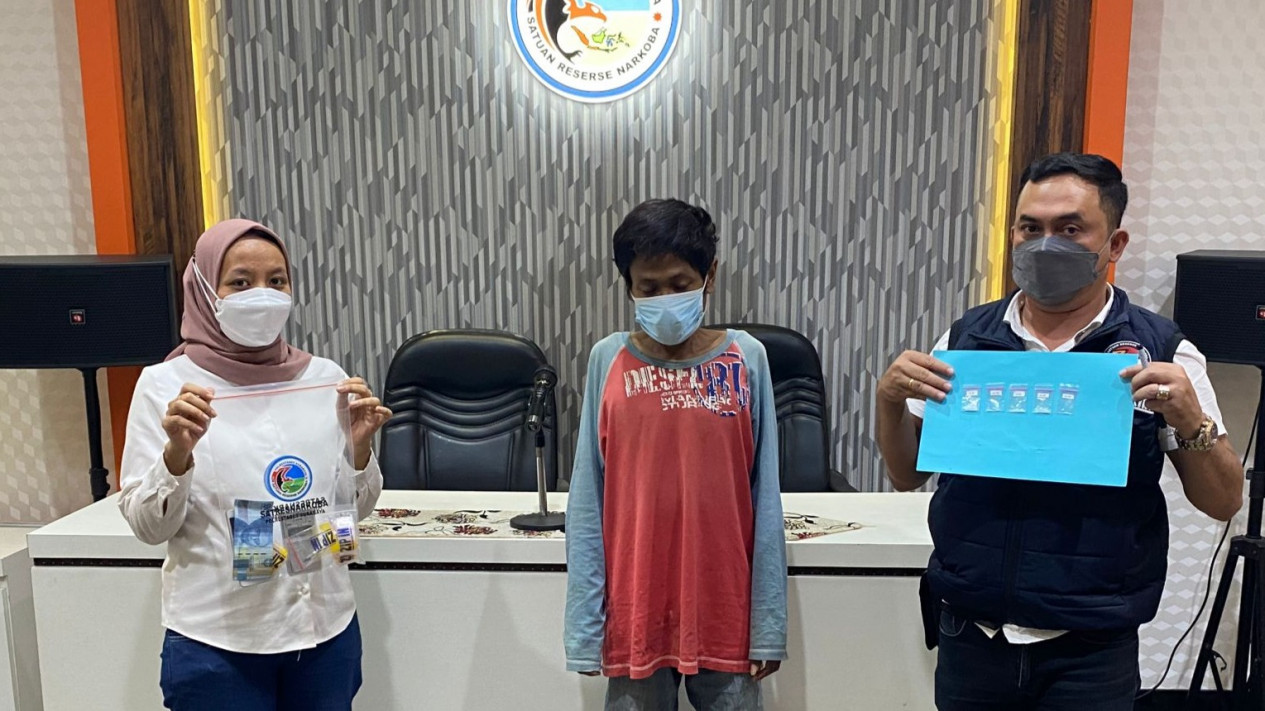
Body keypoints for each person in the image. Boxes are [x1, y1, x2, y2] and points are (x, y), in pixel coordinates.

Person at [876, 153, 1244, 710]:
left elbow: (1223, 501)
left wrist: (1191, 420)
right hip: (971, 633)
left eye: (1070, 229)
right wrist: (888, 403)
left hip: (1091, 646)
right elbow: (906, 474)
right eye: (1031, 228)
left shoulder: (1161, 350)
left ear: (1114, 244)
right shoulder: (968, 339)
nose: (1045, 244)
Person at [119, 219, 392, 711]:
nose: (262, 295)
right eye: (240, 282)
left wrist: (358, 451)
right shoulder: (166, 386)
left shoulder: (325, 379)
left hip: (325, 629)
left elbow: (353, 510)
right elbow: (148, 527)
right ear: (205, 289)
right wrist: (176, 456)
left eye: (276, 281)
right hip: (219, 643)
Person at [564, 199, 788, 710]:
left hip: (726, 612)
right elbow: (587, 501)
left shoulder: (747, 358)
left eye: (680, 283)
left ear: (710, 276)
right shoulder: (608, 359)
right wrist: (583, 624)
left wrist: (768, 624)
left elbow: (765, 498)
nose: (665, 299)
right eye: (649, 288)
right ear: (628, 286)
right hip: (636, 613)